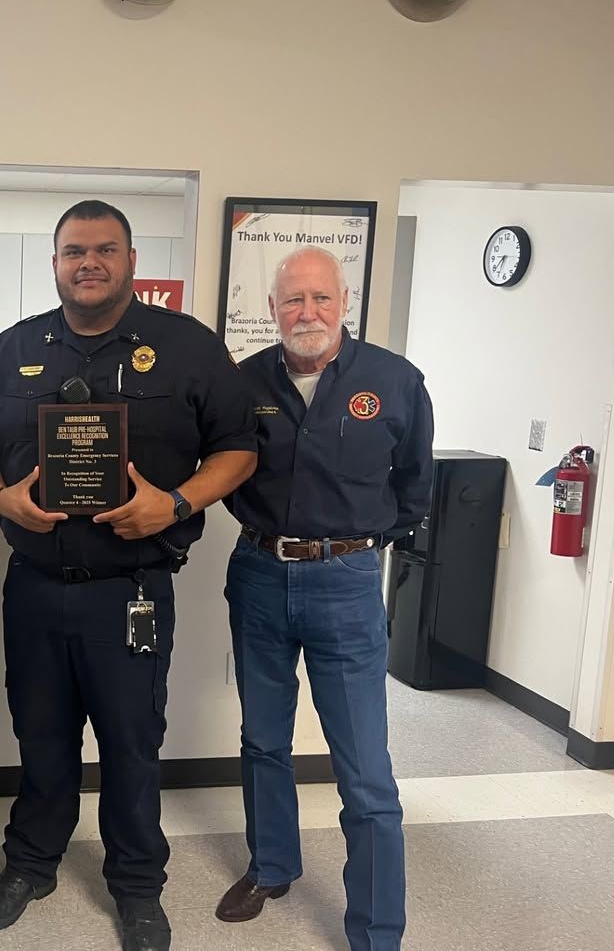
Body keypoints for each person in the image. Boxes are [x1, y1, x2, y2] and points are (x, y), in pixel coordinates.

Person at [0, 200, 258, 951]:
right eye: (72, 251)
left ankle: (136, 886)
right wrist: (1, 497)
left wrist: (177, 502)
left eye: (104, 250)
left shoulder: (186, 348)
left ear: (129, 261)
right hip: (32, 586)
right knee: (41, 736)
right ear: (55, 263)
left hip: (132, 592)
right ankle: (29, 864)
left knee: (131, 743)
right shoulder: (15, 347)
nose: (88, 263)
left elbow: (239, 448)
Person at [217, 245, 434, 951]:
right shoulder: (243, 381)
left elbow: (415, 490)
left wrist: (355, 544)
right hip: (257, 575)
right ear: (271, 309)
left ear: (344, 304)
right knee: (262, 740)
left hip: (346, 583)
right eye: (290, 300)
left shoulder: (395, 382)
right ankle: (272, 865)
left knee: (366, 771)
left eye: (319, 298)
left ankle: (375, 932)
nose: (305, 313)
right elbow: (223, 472)